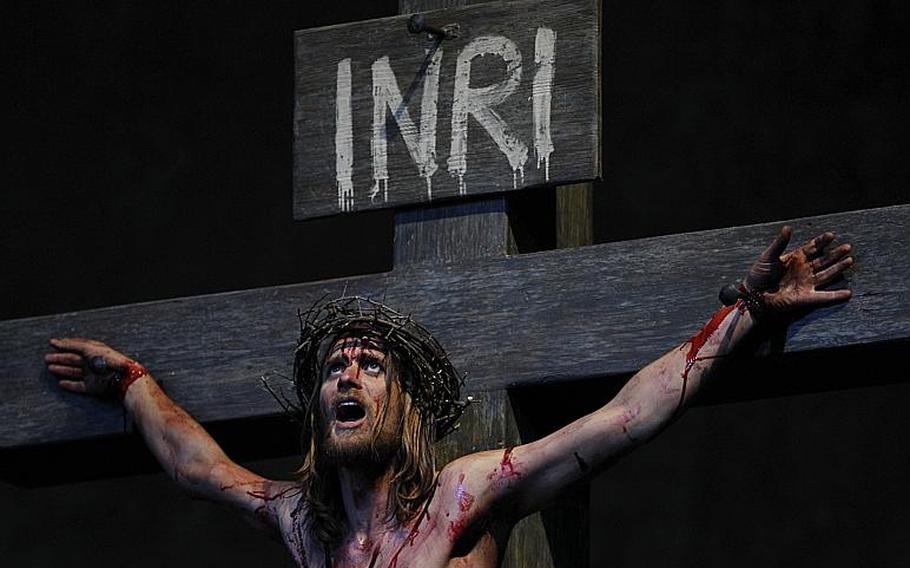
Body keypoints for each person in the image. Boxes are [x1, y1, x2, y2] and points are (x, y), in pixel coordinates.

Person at [44, 227, 853, 567]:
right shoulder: (307, 526)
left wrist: (740, 315)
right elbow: (200, 468)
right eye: (336, 368)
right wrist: (136, 386)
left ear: (403, 406)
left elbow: (623, 418)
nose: (348, 376)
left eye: (368, 366)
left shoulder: (464, 493)